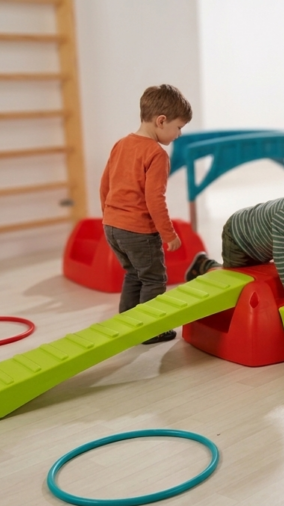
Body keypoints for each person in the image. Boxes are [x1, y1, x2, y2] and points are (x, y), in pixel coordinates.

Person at [184, 152, 284, 301]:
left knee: (251, 273)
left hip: (261, 247)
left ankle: (208, 263)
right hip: (239, 236)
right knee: (232, 277)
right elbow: (281, 256)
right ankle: (204, 264)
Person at [100, 84, 191, 344]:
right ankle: (150, 329)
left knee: (134, 274)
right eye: (178, 127)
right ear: (161, 121)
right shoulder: (155, 154)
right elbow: (154, 200)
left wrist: (109, 217)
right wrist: (168, 234)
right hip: (138, 231)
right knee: (153, 279)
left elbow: (105, 185)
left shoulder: (121, 144)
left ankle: (127, 322)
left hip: (113, 227)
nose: (179, 134)